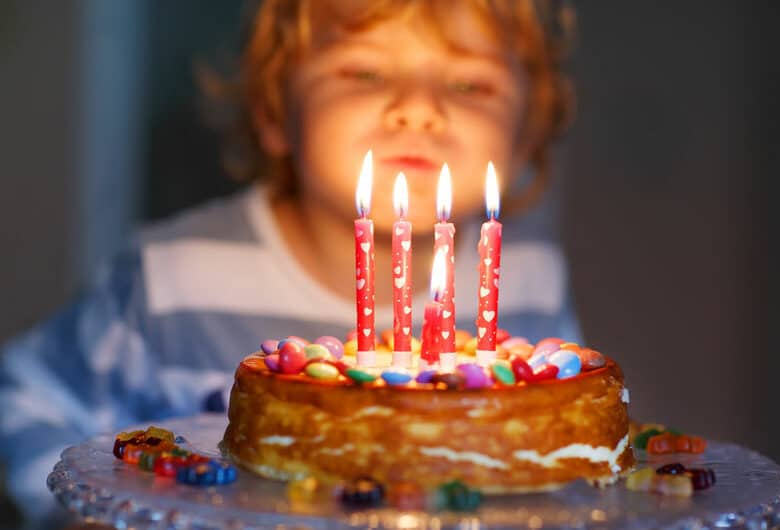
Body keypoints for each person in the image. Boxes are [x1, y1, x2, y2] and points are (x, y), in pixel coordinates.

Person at [0, 0, 580, 524]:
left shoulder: (530, 277)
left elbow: (567, 452)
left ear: (526, 135)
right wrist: (72, 515)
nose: (419, 109)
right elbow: (22, 395)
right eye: (364, 72)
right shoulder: (177, 277)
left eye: (470, 84)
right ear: (278, 113)